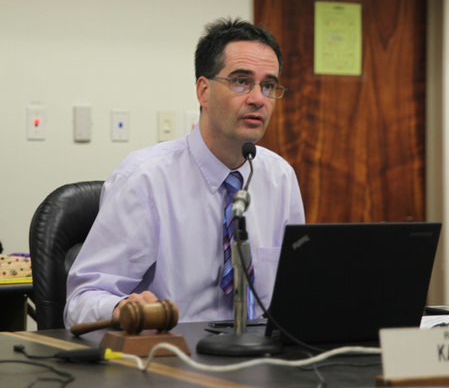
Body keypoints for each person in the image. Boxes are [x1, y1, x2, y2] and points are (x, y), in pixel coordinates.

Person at [64, 18, 305, 328]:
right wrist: (122, 307)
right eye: (241, 81)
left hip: (263, 361)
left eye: (268, 85)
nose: (258, 98)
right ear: (203, 91)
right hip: (172, 359)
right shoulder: (145, 179)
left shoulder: (280, 177)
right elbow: (80, 302)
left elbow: (296, 290)